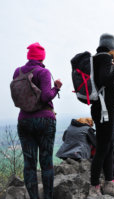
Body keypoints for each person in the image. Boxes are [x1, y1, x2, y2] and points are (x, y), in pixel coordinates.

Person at [13, 43, 62, 199]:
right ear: (42, 57)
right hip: (44, 120)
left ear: (29, 56)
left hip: (24, 120)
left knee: (29, 164)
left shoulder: (17, 72)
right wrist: (57, 88)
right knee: (46, 163)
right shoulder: (43, 72)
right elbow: (46, 96)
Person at [88, 33, 114, 197]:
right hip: (104, 112)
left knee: (108, 146)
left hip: (104, 111)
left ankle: (109, 183)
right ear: (112, 47)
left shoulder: (98, 58)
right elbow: (104, 79)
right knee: (103, 147)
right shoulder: (104, 57)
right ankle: (94, 186)